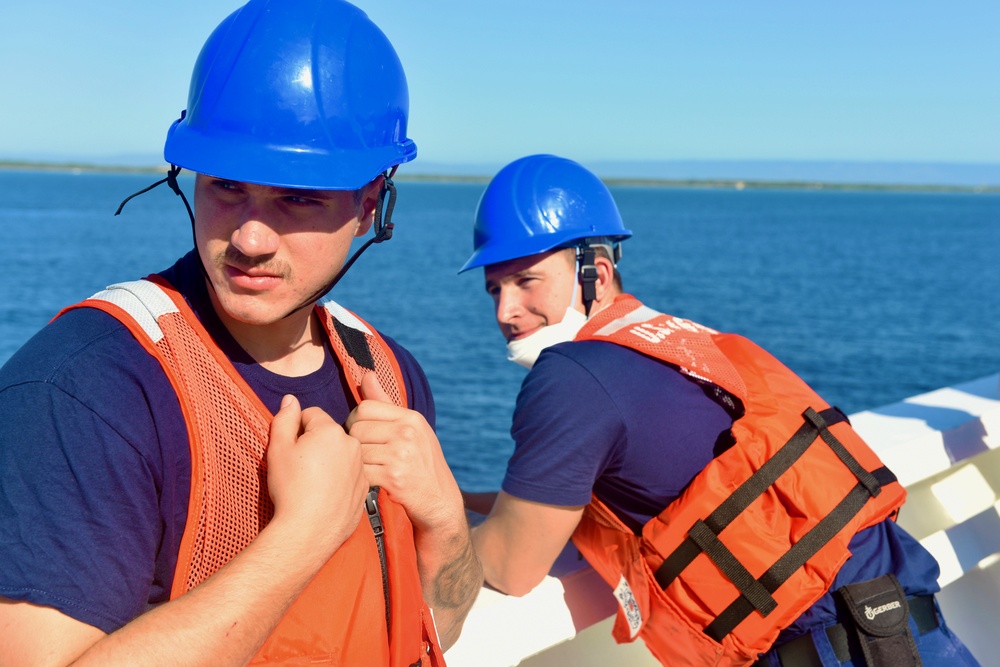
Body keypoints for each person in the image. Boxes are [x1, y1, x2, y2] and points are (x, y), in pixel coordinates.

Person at [0, 1, 481, 665]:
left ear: (369, 205)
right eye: (226, 185)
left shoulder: (387, 373)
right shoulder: (89, 388)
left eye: (298, 196)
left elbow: (433, 628)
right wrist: (301, 536)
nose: (249, 238)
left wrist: (447, 519)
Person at [460, 154, 978, 666]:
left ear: (594, 272)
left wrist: (436, 514)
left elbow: (512, 565)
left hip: (828, 650)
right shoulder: (675, 344)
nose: (505, 311)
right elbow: (541, 504)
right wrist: (467, 500)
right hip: (915, 633)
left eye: (526, 280)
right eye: (493, 289)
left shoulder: (573, 374)